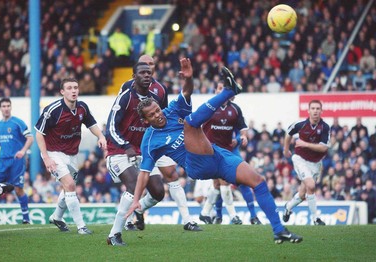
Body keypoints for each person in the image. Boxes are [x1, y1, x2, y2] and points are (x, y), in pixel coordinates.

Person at [127, 58, 303, 244]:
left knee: (258, 182)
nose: (158, 115)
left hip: (217, 155)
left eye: (157, 110)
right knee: (190, 123)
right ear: (146, 121)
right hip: (197, 165)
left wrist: (189, 77)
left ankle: (279, 230)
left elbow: (186, 91)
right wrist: (137, 200)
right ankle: (229, 91)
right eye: (152, 115)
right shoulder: (149, 139)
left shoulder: (170, 111)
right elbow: (144, 173)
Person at [106, 58, 201, 247]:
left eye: (149, 72)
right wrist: (126, 146)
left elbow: (165, 115)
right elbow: (110, 127)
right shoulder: (125, 96)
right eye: (142, 72)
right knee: (134, 186)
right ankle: (114, 234)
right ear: (134, 77)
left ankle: (139, 211)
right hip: (120, 151)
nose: (146, 75)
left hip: (146, 149)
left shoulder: (157, 95)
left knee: (158, 192)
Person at [35, 77, 106, 234]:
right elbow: (39, 134)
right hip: (53, 153)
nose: (73, 90)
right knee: (70, 185)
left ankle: (57, 217)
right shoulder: (52, 110)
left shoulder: (82, 108)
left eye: (75, 87)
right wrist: (46, 157)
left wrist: (100, 136)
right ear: (62, 91)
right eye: (69, 88)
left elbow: (92, 124)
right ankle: (81, 226)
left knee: (68, 187)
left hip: (72, 154)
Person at [199, 82, 261, 225]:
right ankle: (227, 216)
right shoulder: (209, 107)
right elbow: (197, 126)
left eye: (225, 89)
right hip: (212, 150)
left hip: (230, 150)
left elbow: (243, 128)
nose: (222, 92)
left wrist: (242, 137)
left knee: (237, 181)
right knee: (221, 182)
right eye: (220, 88)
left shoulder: (235, 109)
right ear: (215, 91)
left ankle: (252, 216)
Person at [0, 98, 34, 224]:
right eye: (4, 106)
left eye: (8, 105)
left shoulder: (17, 123)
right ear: (0, 108)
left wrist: (23, 151)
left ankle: (26, 219)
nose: (6, 108)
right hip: (2, 161)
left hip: (16, 161)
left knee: (18, 189)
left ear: (11, 107)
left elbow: (30, 138)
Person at [282, 100, 330, 226]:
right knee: (311, 185)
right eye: (313, 108)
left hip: (316, 163)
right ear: (308, 111)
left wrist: (305, 144)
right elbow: (288, 133)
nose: (315, 111)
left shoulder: (325, 127)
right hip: (300, 159)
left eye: (318, 108)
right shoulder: (300, 124)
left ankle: (288, 207)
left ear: (321, 111)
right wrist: (286, 149)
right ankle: (315, 219)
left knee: (303, 194)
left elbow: (324, 148)